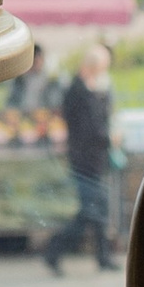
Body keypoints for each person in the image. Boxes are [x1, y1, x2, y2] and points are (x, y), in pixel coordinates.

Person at [49, 43, 118, 270]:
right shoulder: (78, 92)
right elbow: (89, 128)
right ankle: (55, 249)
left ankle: (102, 257)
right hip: (84, 160)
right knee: (90, 210)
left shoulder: (94, 90)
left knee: (99, 208)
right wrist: (109, 138)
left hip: (96, 158)